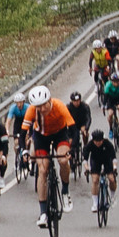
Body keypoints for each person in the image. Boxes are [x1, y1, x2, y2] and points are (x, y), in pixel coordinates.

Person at [22, 85, 78, 223]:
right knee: (42, 170)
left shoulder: (59, 106)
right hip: (41, 137)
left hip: (60, 134)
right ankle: (43, 213)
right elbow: (23, 132)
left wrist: (72, 149)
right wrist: (24, 150)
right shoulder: (31, 110)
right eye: (37, 107)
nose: (40, 109)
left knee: (63, 161)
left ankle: (65, 191)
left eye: (43, 106)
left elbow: (74, 130)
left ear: (49, 101)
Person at [85, 125, 117, 211]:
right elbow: (85, 159)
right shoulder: (90, 145)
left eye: (100, 141)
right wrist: (87, 168)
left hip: (107, 160)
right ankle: (95, 203)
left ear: (103, 140)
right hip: (95, 161)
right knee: (95, 180)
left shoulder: (108, 144)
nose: (98, 143)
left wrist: (114, 168)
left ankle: (113, 197)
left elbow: (114, 157)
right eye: (96, 141)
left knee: (111, 179)